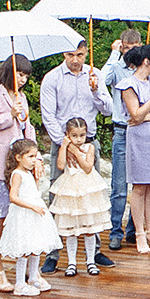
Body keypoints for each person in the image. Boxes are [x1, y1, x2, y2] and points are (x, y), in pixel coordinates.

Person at [39, 40, 113, 274]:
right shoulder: (52, 78)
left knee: (93, 195)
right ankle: (54, 252)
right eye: (71, 54)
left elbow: (109, 109)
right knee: (58, 196)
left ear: (86, 52)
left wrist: (96, 91)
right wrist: (66, 145)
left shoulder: (96, 75)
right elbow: (48, 115)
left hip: (89, 142)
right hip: (62, 142)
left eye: (80, 54)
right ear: (64, 53)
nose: (75, 59)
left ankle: (95, 251)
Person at [0, 54, 38, 294]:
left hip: (20, 164)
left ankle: (25, 268)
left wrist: (36, 156)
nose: (22, 80)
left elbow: (28, 127)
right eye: (19, 74)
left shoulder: (21, 96)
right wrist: (8, 116)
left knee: (20, 213)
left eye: (25, 76)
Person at [0, 139, 61, 297]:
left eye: (35, 156)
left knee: (35, 247)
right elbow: (13, 197)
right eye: (31, 156)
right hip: (24, 214)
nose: (34, 160)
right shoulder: (17, 174)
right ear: (19, 158)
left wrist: (37, 179)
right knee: (25, 249)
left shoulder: (28, 173)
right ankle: (20, 283)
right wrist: (31, 206)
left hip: (35, 214)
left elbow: (33, 191)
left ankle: (33, 277)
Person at [121, 44, 150, 255]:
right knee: (139, 187)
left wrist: (145, 114)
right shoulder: (128, 85)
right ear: (146, 62)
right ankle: (139, 232)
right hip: (138, 139)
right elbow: (135, 115)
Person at [49, 118, 107, 275]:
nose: (78, 139)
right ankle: (71, 262)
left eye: (82, 135)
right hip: (70, 188)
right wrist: (64, 147)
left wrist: (75, 152)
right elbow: (60, 165)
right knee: (71, 229)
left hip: (87, 189)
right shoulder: (65, 147)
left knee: (89, 228)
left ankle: (90, 261)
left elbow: (88, 168)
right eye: (74, 136)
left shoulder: (90, 147)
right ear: (67, 135)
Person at [102, 28, 143, 249]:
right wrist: (114, 54)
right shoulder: (117, 67)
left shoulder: (147, 68)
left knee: (141, 183)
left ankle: (133, 229)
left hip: (142, 129)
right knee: (119, 185)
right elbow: (101, 80)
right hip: (121, 129)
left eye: (133, 48)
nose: (130, 52)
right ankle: (115, 230)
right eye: (126, 48)